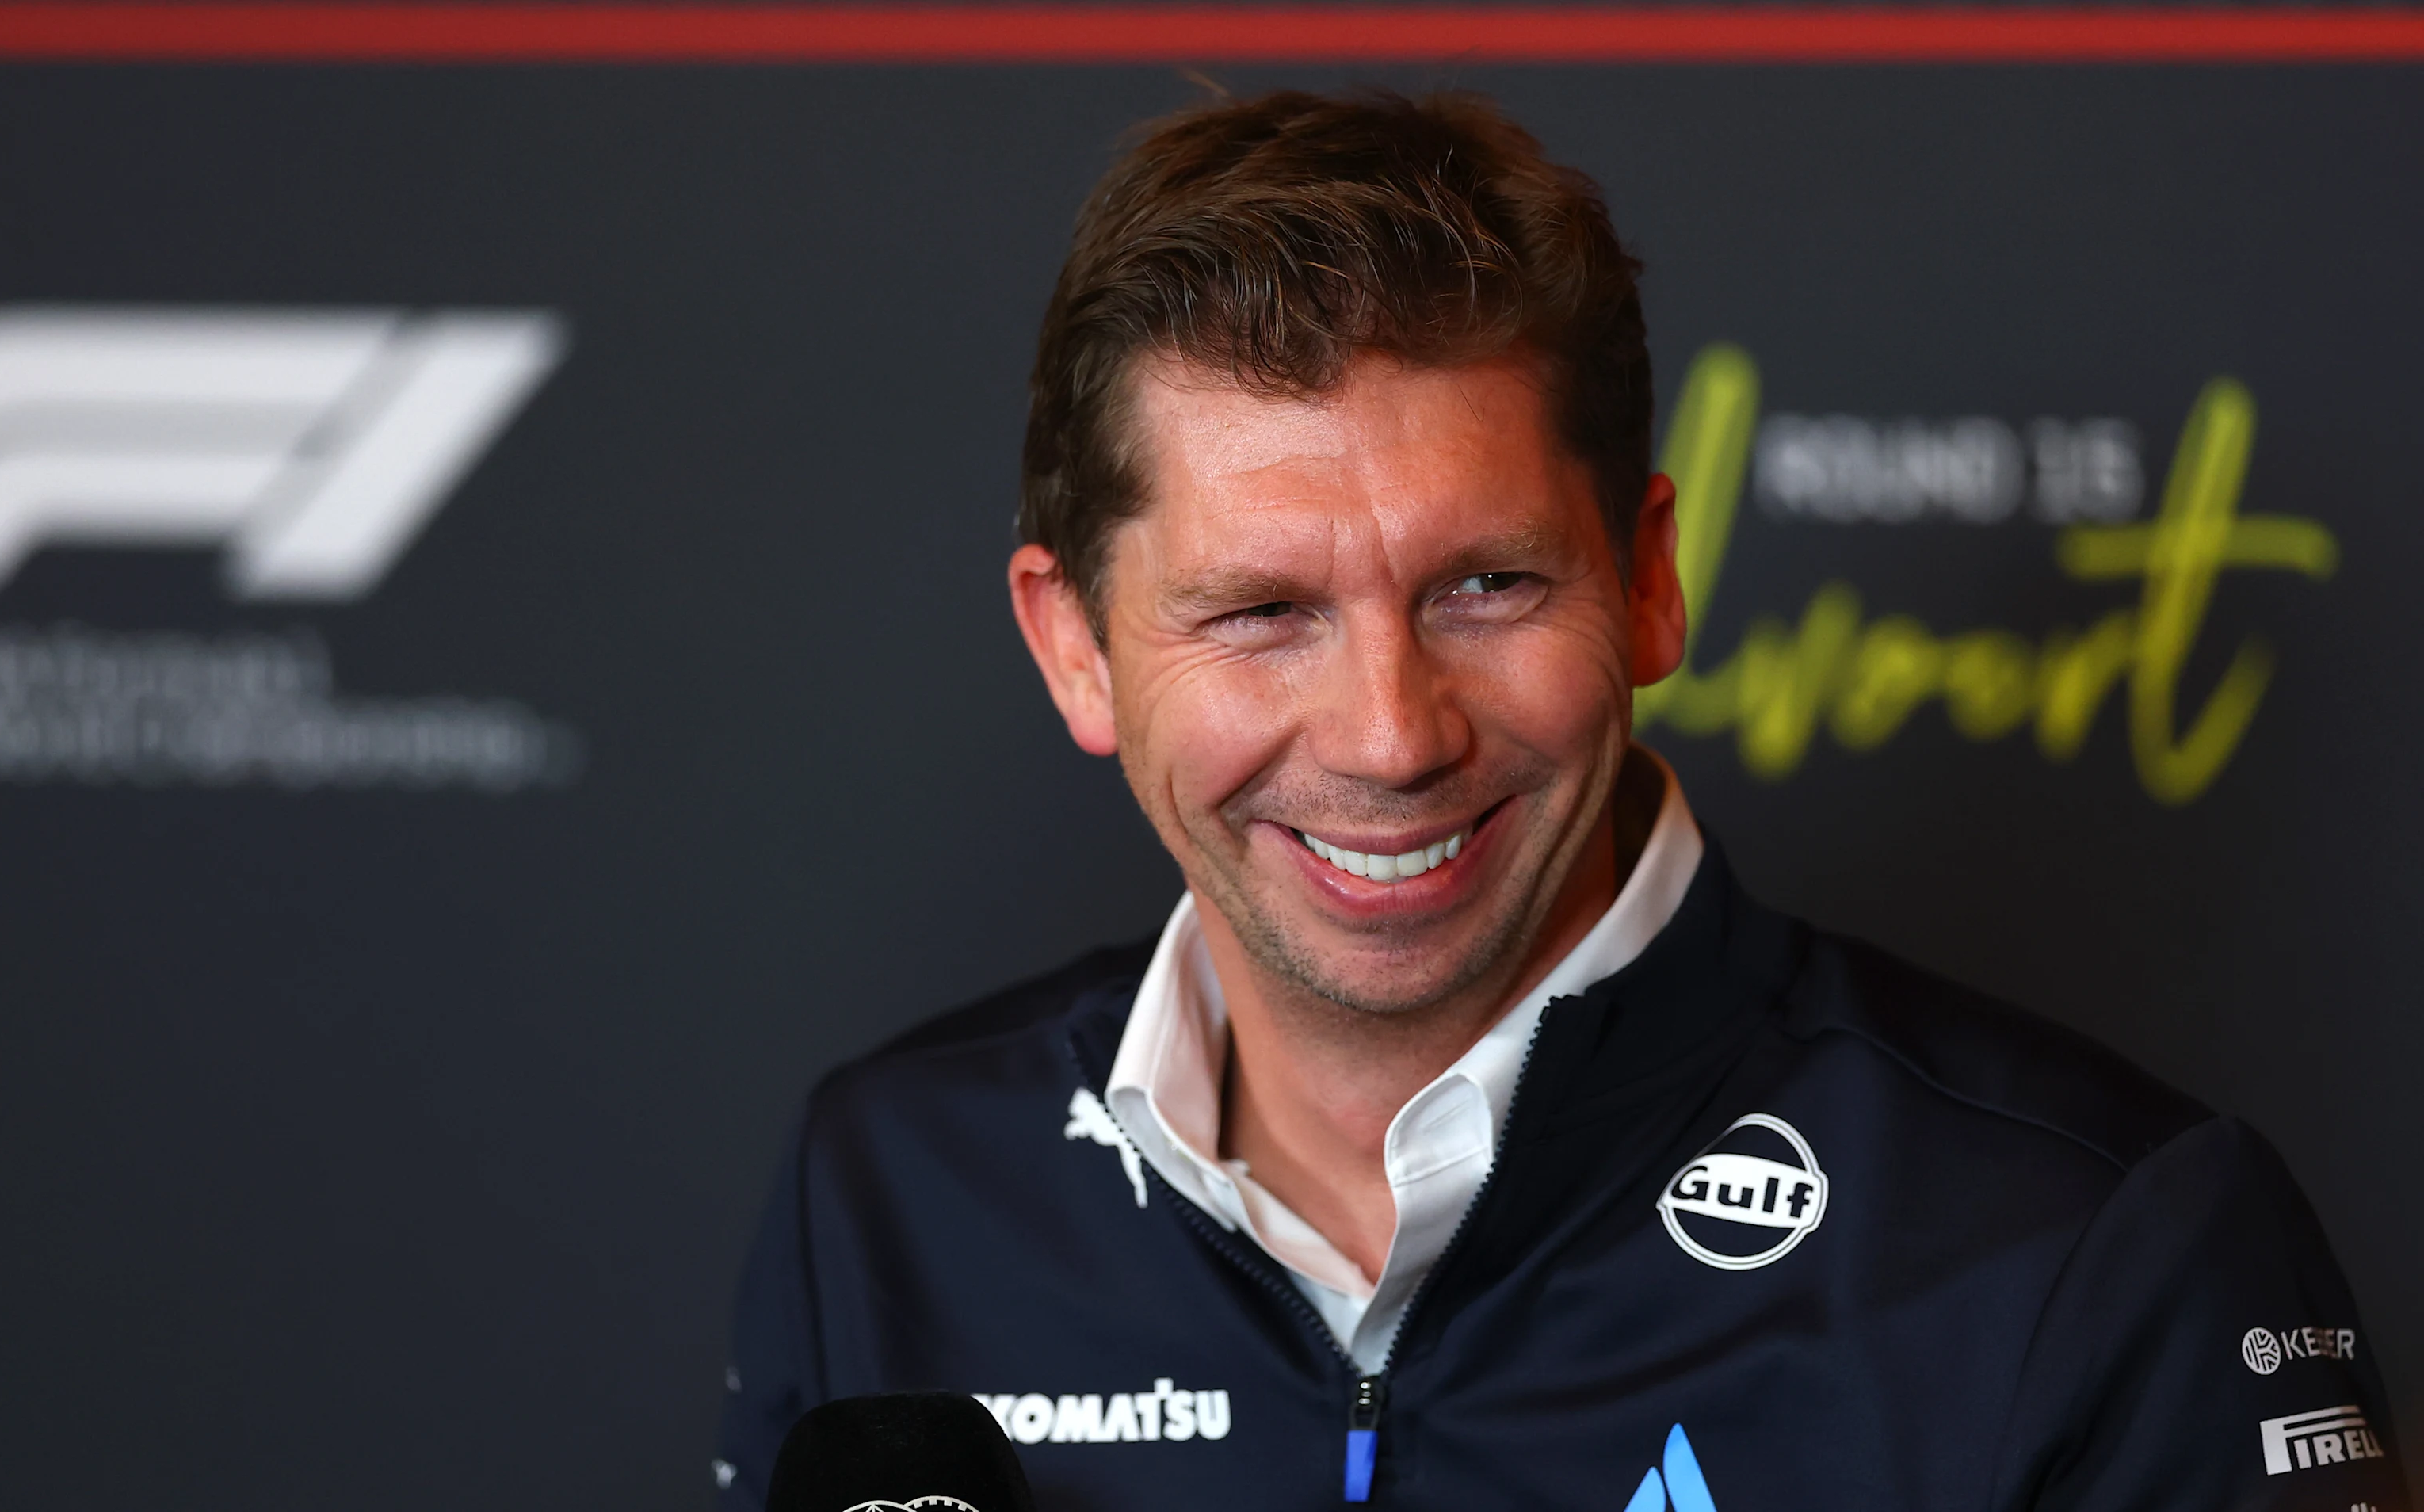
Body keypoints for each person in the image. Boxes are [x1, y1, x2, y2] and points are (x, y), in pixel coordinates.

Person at [713, 90, 2401, 1511]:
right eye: (1258, 613)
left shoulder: (2098, 1240)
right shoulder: (890, 1188)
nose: (1387, 735)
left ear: (1649, 581)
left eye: (1487, 587)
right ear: (1075, 648)